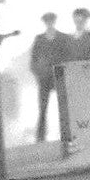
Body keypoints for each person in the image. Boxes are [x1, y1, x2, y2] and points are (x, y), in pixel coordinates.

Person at [30, 12, 72, 143]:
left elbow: (68, 56)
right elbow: (33, 60)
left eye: (51, 20)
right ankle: (40, 137)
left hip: (59, 76)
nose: (49, 23)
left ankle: (67, 135)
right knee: (42, 107)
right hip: (44, 78)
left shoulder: (63, 38)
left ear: (54, 21)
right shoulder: (39, 39)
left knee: (64, 107)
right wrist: (38, 73)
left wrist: (65, 72)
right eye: (47, 21)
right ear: (44, 23)